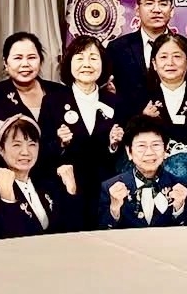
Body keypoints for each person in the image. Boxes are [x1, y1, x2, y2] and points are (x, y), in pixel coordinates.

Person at [38, 35, 125, 228]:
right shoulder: (53, 101)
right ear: (69, 63)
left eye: (93, 58)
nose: (87, 64)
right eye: (79, 58)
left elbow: (121, 154)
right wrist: (60, 143)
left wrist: (113, 145)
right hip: (66, 189)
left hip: (104, 188)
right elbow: (41, 149)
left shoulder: (114, 101)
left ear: (103, 64)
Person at [106, 0, 187, 103]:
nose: (156, 10)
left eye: (163, 4)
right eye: (149, 3)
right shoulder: (118, 48)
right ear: (137, 9)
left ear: (171, 10)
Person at [0, 115, 80, 240]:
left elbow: (72, 230)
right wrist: (7, 198)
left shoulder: (47, 185)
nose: (25, 152)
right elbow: (8, 239)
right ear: (1, 149)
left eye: (32, 144)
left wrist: (71, 190)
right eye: (16, 145)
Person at [98, 115, 187, 228]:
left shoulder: (180, 186)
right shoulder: (109, 188)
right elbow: (100, 233)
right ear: (129, 151)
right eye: (141, 146)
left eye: (156, 145)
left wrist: (179, 209)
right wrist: (114, 210)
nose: (149, 152)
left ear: (165, 150)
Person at [128, 33, 187, 151]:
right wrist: (143, 121)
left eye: (177, 56)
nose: (170, 63)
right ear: (154, 64)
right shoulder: (139, 98)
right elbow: (128, 144)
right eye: (163, 57)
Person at [0, 32, 69, 121]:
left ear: (40, 61)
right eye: (18, 58)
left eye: (31, 57)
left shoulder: (61, 91)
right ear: (5, 63)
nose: (25, 64)